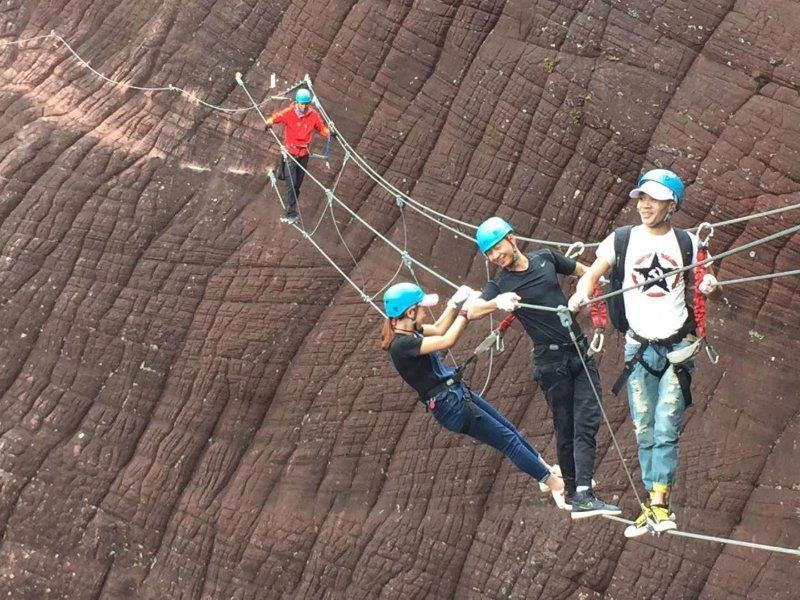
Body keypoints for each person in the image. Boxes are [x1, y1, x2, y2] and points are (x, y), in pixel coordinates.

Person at [570, 168, 718, 537]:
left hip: (677, 347)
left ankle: (660, 505)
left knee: (666, 427)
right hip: (638, 346)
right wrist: (583, 291)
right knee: (644, 429)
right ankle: (653, 505)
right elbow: (594, 273)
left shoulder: (688, 244)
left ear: (672, 204)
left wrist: (711, 284)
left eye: (653, 199)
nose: (644, 205)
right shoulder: (620, 240)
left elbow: (705, 280)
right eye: (642, 198)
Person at [466, 217, 621, 519]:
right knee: (566, 426)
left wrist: (596, 285)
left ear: (512, 238)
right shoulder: (500, 284)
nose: (496, 257)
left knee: (587, 421)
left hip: (579, 351)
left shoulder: (545, 258)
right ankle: (578, 494)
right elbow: (471, 310)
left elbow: (582, 272)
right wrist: (497, 302)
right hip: (550, 363)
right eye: (490, 254)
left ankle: (583, 493)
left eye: (497, 248)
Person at [382, 282, 565, 497]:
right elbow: (446, 340)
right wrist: (465, 312)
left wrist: (454, 304)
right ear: (410, 312)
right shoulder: (402, 345)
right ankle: (557, 486)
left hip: (455, 395)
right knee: (508, 442)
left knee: (509, 430)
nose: (424, 312)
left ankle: (545, 470)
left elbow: (440, 328)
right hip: (451, 405)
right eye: (421, 308)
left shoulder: (410, 332)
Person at [265, 88, 331, 224]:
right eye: (302, 103)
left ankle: (290, 207)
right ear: (297, 102)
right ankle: (290, 213)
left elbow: (321, 129)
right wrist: (269, 122)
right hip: (291, 153)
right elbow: (276, 117)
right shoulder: (289, 113)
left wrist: (330, 133)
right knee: (291, 184)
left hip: (304, 154)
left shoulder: (313, 115)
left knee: (297, 186)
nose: (305, 106)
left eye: (307, 103)